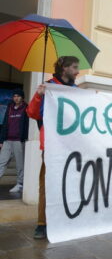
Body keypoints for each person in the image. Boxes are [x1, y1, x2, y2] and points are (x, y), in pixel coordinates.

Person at [27, 56, 79, 239]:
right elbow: (32, 113)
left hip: (71, 146)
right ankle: (42, 224)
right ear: (64, 68)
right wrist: (39, 95)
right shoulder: (48, 86)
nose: (77, 71)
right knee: (46, 184)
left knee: (69, 182)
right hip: (51, 145)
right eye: (74, 67)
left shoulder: (76, 90)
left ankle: (64, 219)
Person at [0, 89, 29, 193]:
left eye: (18, 96)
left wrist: (24, 138)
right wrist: (1, 140)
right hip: (7, 140)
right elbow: (4, 123)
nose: (16, 98)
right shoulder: (9, 108)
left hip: (18, 140)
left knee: (20, 165)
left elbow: (27, 125)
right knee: (1, 162)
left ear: (22, 97)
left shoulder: (26, 108)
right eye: (14, 96)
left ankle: (20, 184)